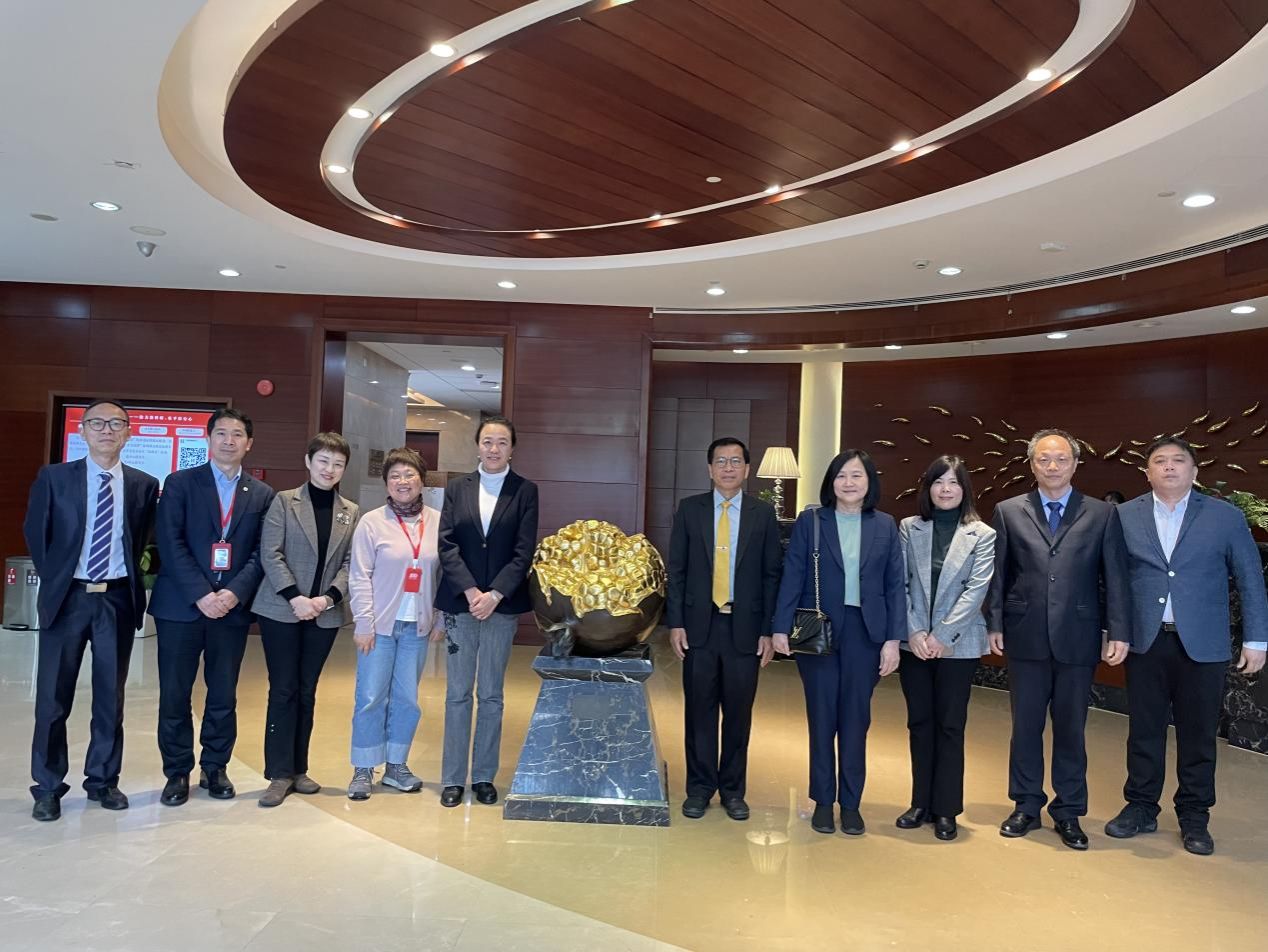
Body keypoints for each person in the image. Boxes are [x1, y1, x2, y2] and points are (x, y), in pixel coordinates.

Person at [1105, 436, 1268, 855]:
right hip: (1146, 641)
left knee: (1198, 734)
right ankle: (1141, 806)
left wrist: (1256, 639)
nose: (1169, 467)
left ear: (1194, 471)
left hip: (1204, 644)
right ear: (1147, 472)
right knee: (1144, 730)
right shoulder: (1124, 515)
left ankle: (1195, 815)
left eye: (1179, 460)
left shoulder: (1225, 517)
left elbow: (1250, 578)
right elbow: (1114, 580)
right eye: (1160, 461)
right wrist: (1114, 631)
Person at [984, 428, 1130, 850]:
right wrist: (994, 623)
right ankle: (1026, 805)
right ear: (1032, 464)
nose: (1052, 466)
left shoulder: (1102, 514)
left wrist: (1118, 631)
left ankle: (1069, 811)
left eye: (1061, 459)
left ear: (1075, 464)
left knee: (1071, 729)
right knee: (1025, 727)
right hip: (1024, 633)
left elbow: (1115, 578)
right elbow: (999, 573)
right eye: (1043, 459)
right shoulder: (1009, 511)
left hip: (1078, 636)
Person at [23, 399, 159, 821]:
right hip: (68, 598)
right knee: (53, 698)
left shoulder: (143, 484)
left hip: (116, 599)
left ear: (128, 433)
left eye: (116, 424)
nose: (106, 430)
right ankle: (48, 786)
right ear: (82, 431)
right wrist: (59, 579)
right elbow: (36, 532)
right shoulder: (55, 477)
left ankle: (102, 780)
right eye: (97, 423)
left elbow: (142, 540)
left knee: (109, 698)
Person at [772, 449, 905, 836]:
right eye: (841, 475)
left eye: (857, 475)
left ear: (869, 482)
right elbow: (792, 574)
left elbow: (895, 586)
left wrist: (892, 640)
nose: (849, 482)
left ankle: (851, 803)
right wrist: (780, 627)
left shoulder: (885, 525)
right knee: (822, 717)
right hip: (820, 631)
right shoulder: (812, 521)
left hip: (867, 633)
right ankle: (822, 801)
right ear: (831, 482)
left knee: (856, 719)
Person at [150, 407, 274, 806]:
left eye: (237, 434)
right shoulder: (180, 483)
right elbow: (170, 542)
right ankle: (177, 771)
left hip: (231, 610)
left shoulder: (261, 494)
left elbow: (261, 552)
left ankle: (215, 767)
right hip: (181, 607)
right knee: (175, 693)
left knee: (223, 693)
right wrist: (201, 593)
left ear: (249, 443)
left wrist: (234, 593)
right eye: (221, 433)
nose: (228, 441)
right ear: (208, 438)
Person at [666, 437, 783, 821]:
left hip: (745, 629)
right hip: (700, 626)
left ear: (747, 469)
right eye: (721, 461)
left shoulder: (762, 514)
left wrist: (768, 630)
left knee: (738, 714)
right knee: (699, 712)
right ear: (709, 469)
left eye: (735, 461)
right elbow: (677, 571)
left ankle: (733, 790)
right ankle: (700, 788)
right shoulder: (690, 509)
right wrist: (676, 622)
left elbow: (772, 575)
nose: (728, 468)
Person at [251, 432, 360, 807]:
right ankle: (278, 773)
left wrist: (327, 599)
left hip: (323, 614)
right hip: (281, 610)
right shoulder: (284, 501)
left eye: (338, 464)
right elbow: (271, 553)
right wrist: (295, 598)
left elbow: (351, 563)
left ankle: (300, 769)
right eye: (323, 461)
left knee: (307, 690)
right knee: (283, 688)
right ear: (309, 462)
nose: (330, 469)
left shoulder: (350, 511)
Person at [436, 416, 539, 808]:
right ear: (477, 446)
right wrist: (470, 591)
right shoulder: (457, 488)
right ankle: (452, 778)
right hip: (460, 603)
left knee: (492, 694)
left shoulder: (525, 491)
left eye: (502, 442)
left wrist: (494, 594)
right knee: (458, 693)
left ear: (513, 448)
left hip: (502, 605)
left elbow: (524, 551)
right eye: (487, 441)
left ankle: (483, 776)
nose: (494, 449)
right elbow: (447, 544)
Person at [895, 455, 995, 842]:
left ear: (964, 489)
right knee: (919, 723)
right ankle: (920, 802)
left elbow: (976, 591)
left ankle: (946, 809)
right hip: (915, 644)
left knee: (950, 725)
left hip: (959, 644)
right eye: (939, 481)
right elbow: (901, 583)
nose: (946, 489)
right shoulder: (910, 527)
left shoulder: (982, 534)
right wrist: (916, 632)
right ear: (928, 487)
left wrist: (941, 636)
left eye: (953, 482)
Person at [347, 447, 444, 800]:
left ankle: (396, 766)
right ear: (386, 483)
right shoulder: (372, 522)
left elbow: (445, 575)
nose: (403, 482)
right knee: (371, 696)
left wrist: (440, 617)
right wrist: (364, 622)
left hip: (417, 626)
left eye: (409, 475)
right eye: (395, 476)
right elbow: (359, 575)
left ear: (422, 480)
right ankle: (363, 767)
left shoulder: (438, 521)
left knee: (407, 699)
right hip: (379, 627)